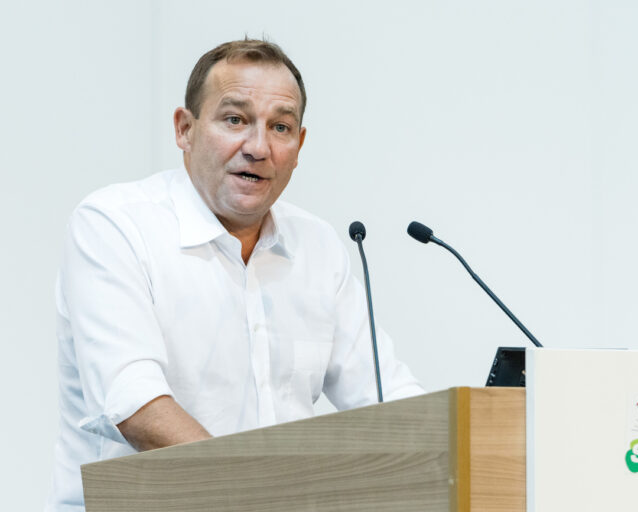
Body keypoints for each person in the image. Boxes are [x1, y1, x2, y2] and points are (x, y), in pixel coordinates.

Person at [46, 38, 423, 511]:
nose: (259, 147)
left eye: (281, 127)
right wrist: (259, 494)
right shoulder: (115, 226)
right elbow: (137, 407)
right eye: (235, 119)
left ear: (299, 145)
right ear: (185, 129)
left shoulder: (319, 246)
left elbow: (387, 400)